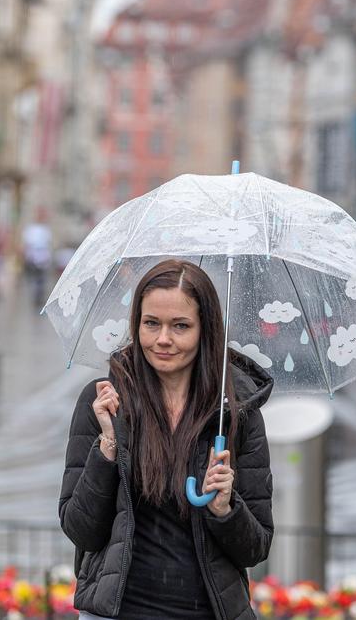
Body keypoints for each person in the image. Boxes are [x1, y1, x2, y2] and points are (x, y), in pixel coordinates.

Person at [59, 260, 273, 620]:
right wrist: (107, 449)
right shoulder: (104, 403)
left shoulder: (235, 414)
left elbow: (256, 547)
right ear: (136, 324)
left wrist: (225, 509)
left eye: (180, 326)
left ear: (205, 330)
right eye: (151, 323)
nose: (162, 339)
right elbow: (82, 530)